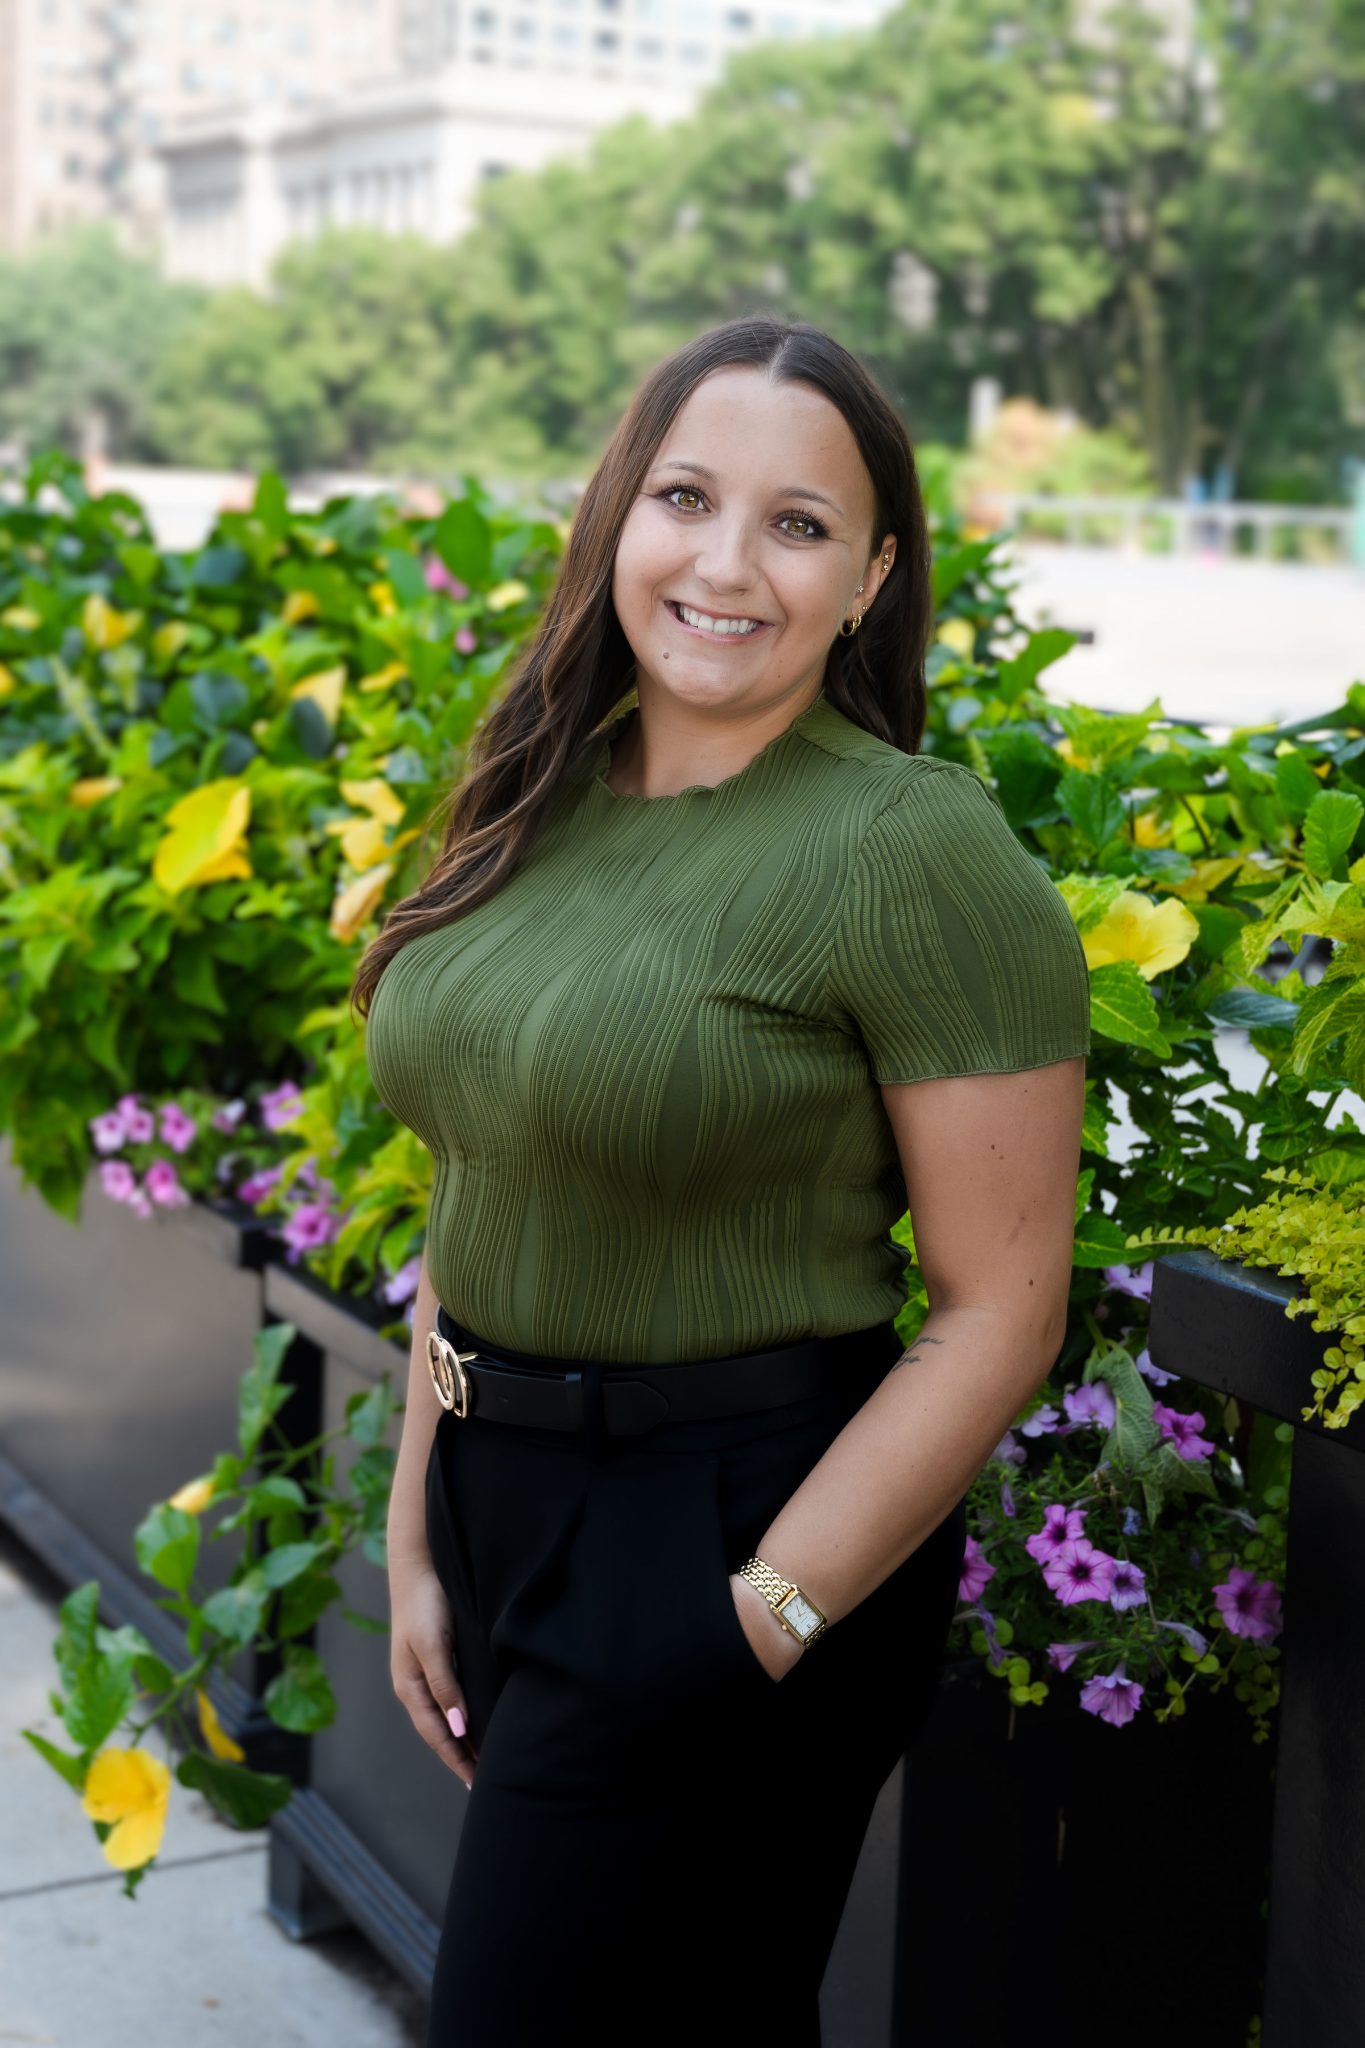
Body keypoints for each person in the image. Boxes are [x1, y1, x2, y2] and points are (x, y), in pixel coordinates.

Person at [353, 314, 1090, 2047]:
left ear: (871, 572)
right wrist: (416, 1533)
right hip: (501, 1498)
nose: (725, 562)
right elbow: (484, 1179)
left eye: (798, 522)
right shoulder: (544, 791)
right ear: (621, 513)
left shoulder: (909, 847)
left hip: (728, 1532)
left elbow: (1003, 1311)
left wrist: (757, 1619)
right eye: (687, 496)